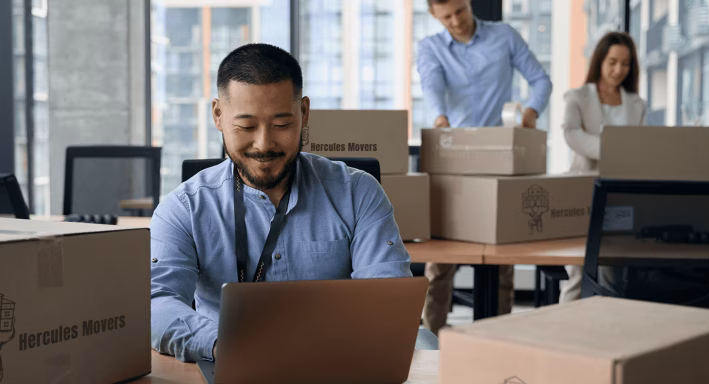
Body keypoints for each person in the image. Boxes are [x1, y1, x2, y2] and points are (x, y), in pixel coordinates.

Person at [150, 43, 412, 362]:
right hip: (231, 363)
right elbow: (156, 303)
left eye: (281, 125)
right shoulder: (184, 208)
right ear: (218, 115)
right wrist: (225, 343)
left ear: (303, 113)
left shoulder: (358, 192)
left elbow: (389, 297)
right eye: (246, 126)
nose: (264, 144)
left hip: (335, 363)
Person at [417, 0, 552, 333]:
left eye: (460, 12)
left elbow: (541, 80)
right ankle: (426, 342)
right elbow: (432, 86)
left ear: (468, 4)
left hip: (499, 157)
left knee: (501, 258)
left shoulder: (504, 36)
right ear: (435, 16)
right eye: (446, 17)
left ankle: (497, 337)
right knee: (441, 262)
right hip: (454, 159)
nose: (456, 21)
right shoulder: (431, 47)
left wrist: (530, 114)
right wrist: (440, 118)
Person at [559, 32, 645, 303]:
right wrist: (614, 149)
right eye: (612, 62)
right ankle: (563, 341)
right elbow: (571, 134)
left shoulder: (637, 104)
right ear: (599, 61)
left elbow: (642, 146)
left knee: (614, 276)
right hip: (583, 192)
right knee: (578, 274)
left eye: (626, 63)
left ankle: (607, 338)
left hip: (621, 196)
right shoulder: (577, 97)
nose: (619, 69)